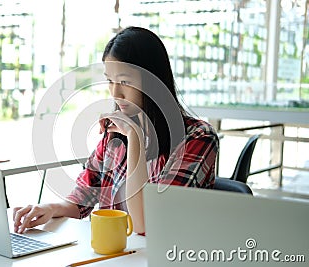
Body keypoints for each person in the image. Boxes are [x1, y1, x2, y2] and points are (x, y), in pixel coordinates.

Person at [13, 26, 219, 235]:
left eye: (124, 82)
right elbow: (82, 199)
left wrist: (135, 137)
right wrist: (48, 209)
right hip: (116, 253)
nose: (115, 93)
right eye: (110, 81)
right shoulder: (115, 134)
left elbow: (145, 224)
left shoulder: (198, 137)